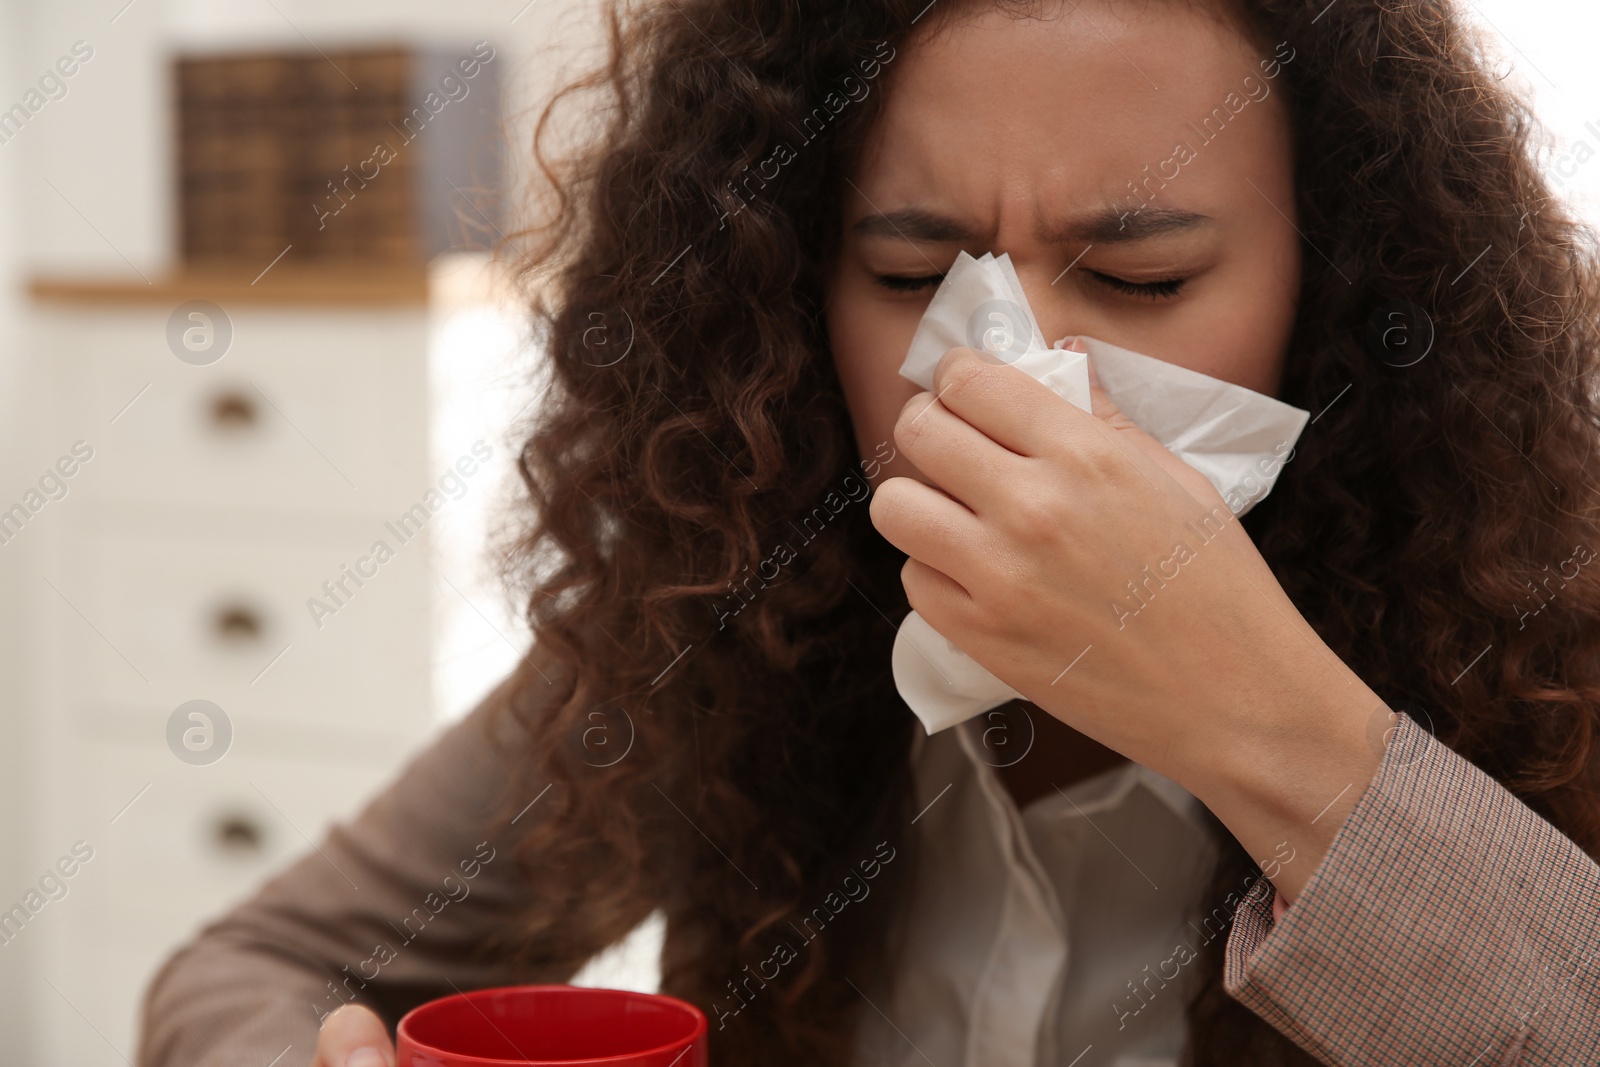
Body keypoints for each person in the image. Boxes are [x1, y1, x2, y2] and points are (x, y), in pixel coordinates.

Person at [137, 0, 1600, 1064]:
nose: (1019, 379)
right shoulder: (710, 631)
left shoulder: (1538, 646)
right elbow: (251, 964)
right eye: (913, 273)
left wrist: (1269, 726)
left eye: (1143, 280)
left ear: (1334, 286)